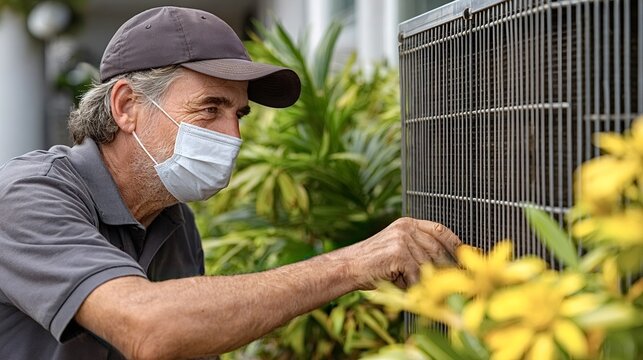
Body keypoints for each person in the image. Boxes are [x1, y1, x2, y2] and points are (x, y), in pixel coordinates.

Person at [0, 6, 461, 360]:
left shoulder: (174, 221)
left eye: (238, 114)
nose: (233, 137)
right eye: (209, 108)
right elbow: (151, 327)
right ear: (126, 107)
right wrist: (352, 265)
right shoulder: (29, 195)